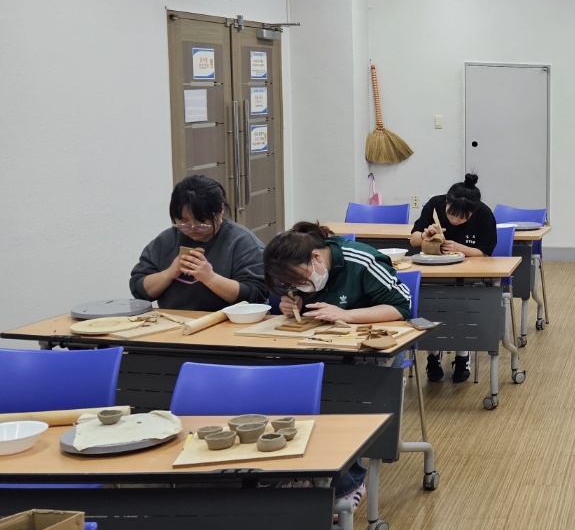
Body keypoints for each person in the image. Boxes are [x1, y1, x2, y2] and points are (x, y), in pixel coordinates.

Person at [262, 222, 413, 512]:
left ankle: (348, 482)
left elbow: (401, 307)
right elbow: (298, 298)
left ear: (316, 258)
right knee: (284, 385)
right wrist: (290, 304)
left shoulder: (362, 260)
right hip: (320, 346)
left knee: (338, 392)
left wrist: (346, 314)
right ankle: (298, 472)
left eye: (299, 280)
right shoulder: (303, 271)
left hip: (371, 350)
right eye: (290, 283)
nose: (297, 285)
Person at [130, 174, 267, 312]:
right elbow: (139, 289)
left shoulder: (242, 243)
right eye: (183, 221)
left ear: (220, 211)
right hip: (175, 320)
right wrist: (170, 272)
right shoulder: (166, 240)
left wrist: (210, 278)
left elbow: (256, 295)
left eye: (201, 221)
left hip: (228, 321)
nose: (192, 228)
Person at [409, 174, 498, 383]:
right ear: (446, 203)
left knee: (462, 305)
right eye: (451, 214)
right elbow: (413, 240)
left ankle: (462, 356)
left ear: (472, 212)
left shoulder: (484, 214)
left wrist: (460, 248)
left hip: (467, 278)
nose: (455, 221)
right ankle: (432, 355)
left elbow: (485, 252)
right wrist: (425, 235)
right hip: (434, 275)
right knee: (429, 303)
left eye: (462, 218)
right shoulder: (435, 205)